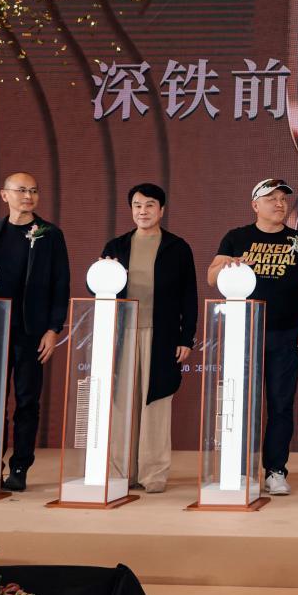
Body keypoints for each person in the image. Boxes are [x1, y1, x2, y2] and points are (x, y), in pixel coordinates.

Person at [208, 179, 298, 496]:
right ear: (255, 205)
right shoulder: (237, 237)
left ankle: (275, 471)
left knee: (281, 404)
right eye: (271, 198)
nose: (279, 203)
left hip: (286, 333)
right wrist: (228, 264)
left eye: (283, 198)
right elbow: (211, 276)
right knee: (241, 401)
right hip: (244, 333)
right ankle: (239, 469)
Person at [0, 171, 70, 492]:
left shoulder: (50, 234)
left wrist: (53, 328)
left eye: (33, 190)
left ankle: (20, 467)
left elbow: (61, 285)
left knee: (26, 402)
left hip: (31, 332)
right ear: (4, 194)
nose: (28, 196)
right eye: (21, 190)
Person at [100, 183, 198, 493]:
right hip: (122, 334)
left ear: (162, 210)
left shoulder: (177, 247)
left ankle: (153, 474)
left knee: (156, 403)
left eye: (150, 205)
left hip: (161, 336)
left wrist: (186, 337)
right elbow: (98, 286)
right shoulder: (116, 246)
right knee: (121, 404)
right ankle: (120, 472)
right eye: (137, 205)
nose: (143, 211)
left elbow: (189, 296)